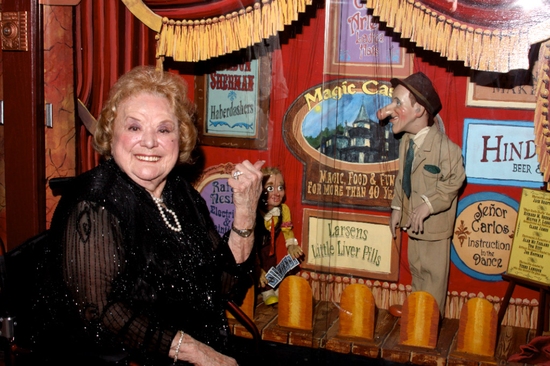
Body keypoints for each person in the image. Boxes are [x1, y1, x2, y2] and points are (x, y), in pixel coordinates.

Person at [31, 66, 264, 365]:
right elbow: (101, 312)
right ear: (111, 134)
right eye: (134, 127)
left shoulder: (181, 194)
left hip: (193, 347)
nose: (150, 142)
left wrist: (245, 210)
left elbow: (222, 286)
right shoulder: (93, 204)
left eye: (164, 129)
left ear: (180, 138)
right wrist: (200, 353)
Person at [376, 72, 466, 316]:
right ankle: (416, 311)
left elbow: (454, 181)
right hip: (412, 223)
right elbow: (402, 179)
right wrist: (397, 208)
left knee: (433, 272)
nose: (391, 109)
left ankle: (430, 318)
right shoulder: (407, 141)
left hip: (434, 227)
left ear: (418, 111)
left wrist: (428, 204)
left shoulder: (447, 149)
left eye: (398, 103)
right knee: (416, 267)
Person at [255, 167, 303, 305]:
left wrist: (292, 246)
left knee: (272, 263)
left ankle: (272, 287)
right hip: (254, 251)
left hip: (269, 250)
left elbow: (287, 231)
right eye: (270, 188)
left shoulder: (283, 210)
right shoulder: (253, 211)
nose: (276, 193)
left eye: (280, 187)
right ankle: (265, 291)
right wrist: (256, 268)